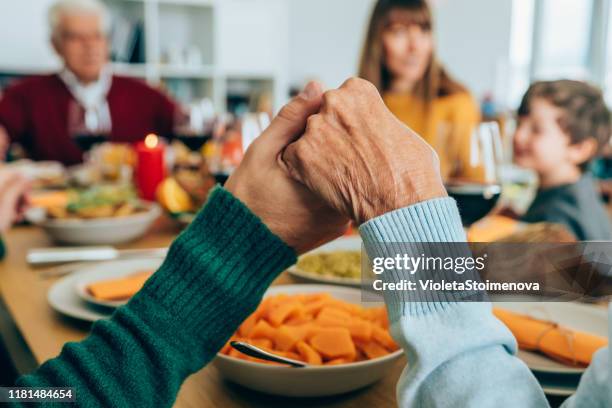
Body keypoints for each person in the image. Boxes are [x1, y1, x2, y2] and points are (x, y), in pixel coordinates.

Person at [11, 79, 611, 407]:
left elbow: (591, 271)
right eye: (521, 123)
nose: (520, 139)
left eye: (537, 128)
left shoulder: (459, 104)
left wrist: (413, 226)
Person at [0, 0, 177, 166]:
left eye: (97, 36)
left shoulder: (145, 95)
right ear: (56, 44)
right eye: (76, 38)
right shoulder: (26, 94)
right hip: (55, 197)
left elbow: (186, 127)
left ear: (108, 42)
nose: (90, 46)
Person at [358, 0, 482, 180]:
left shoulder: (456, 103)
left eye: (424, 31)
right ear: (377, 40)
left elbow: (478, 183)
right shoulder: (361, 107)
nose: (415, 47)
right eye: (399, 32)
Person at [514, 80, 612, 240]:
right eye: (518, 123)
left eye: (536, 129)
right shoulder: (581, 194)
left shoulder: (555, 220)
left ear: (580, 149)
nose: (518, 136)